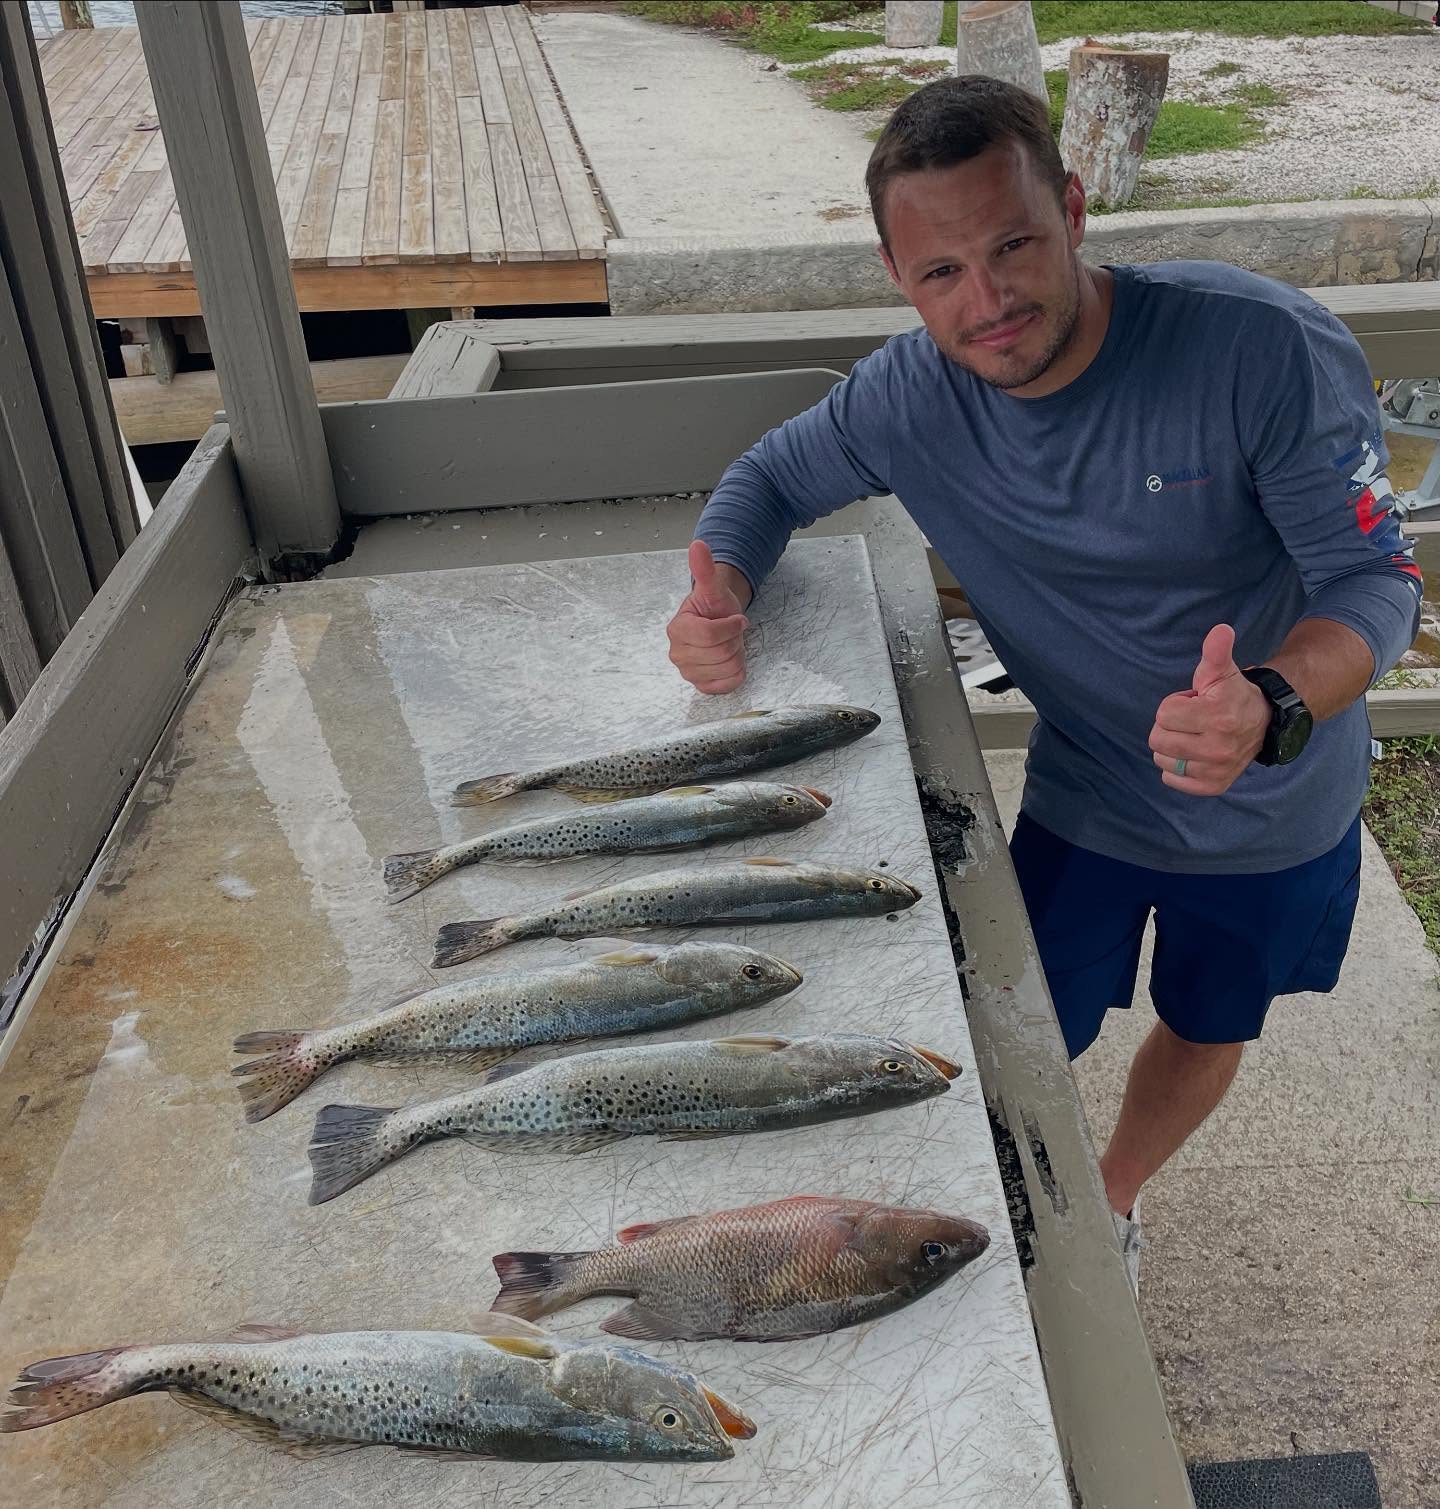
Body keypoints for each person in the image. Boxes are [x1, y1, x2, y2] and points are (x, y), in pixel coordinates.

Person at [663, 76, 1422, 1279]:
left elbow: (1376, 580)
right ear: (896, 276)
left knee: (1209, 1019)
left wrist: (1269, 700)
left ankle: (1111, 1199)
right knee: (1017, 1027)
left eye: (1013, 245)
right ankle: (982, 1188)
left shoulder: (1260, 346)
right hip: (1087, 791)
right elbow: (767, 480)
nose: (989, 301)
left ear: (1071, 210)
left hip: (1275, 799)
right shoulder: (904, 396)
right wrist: (721, 595)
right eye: (942, 272)